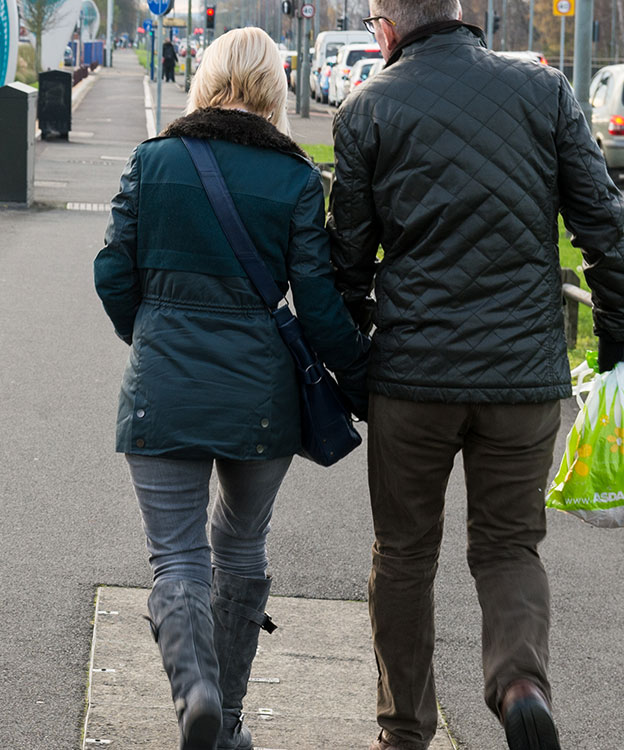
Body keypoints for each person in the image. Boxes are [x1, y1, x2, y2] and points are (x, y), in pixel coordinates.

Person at [326, 1, 624, 748]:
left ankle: (404, 730)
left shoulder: (367, 109)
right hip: (522, 376)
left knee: (404, 554)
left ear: (385, 27)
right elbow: (602, 222)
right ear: (464, 14)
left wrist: (350, 361)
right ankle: (519, 683)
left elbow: (344, 258)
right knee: (508, 546)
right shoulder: (544, 92)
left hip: (412, 376)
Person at [95, 27, 369, 750]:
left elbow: (111, 271)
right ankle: (231, 722)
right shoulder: (296, 179)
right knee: (241, 550)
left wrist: (149, 333)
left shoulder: (155, 161)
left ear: (204, 78)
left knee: (177, 556)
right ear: (277, 89)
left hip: (164, 387)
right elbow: (317, 301)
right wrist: (364, 383)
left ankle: (197, 694)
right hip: (261, 399)